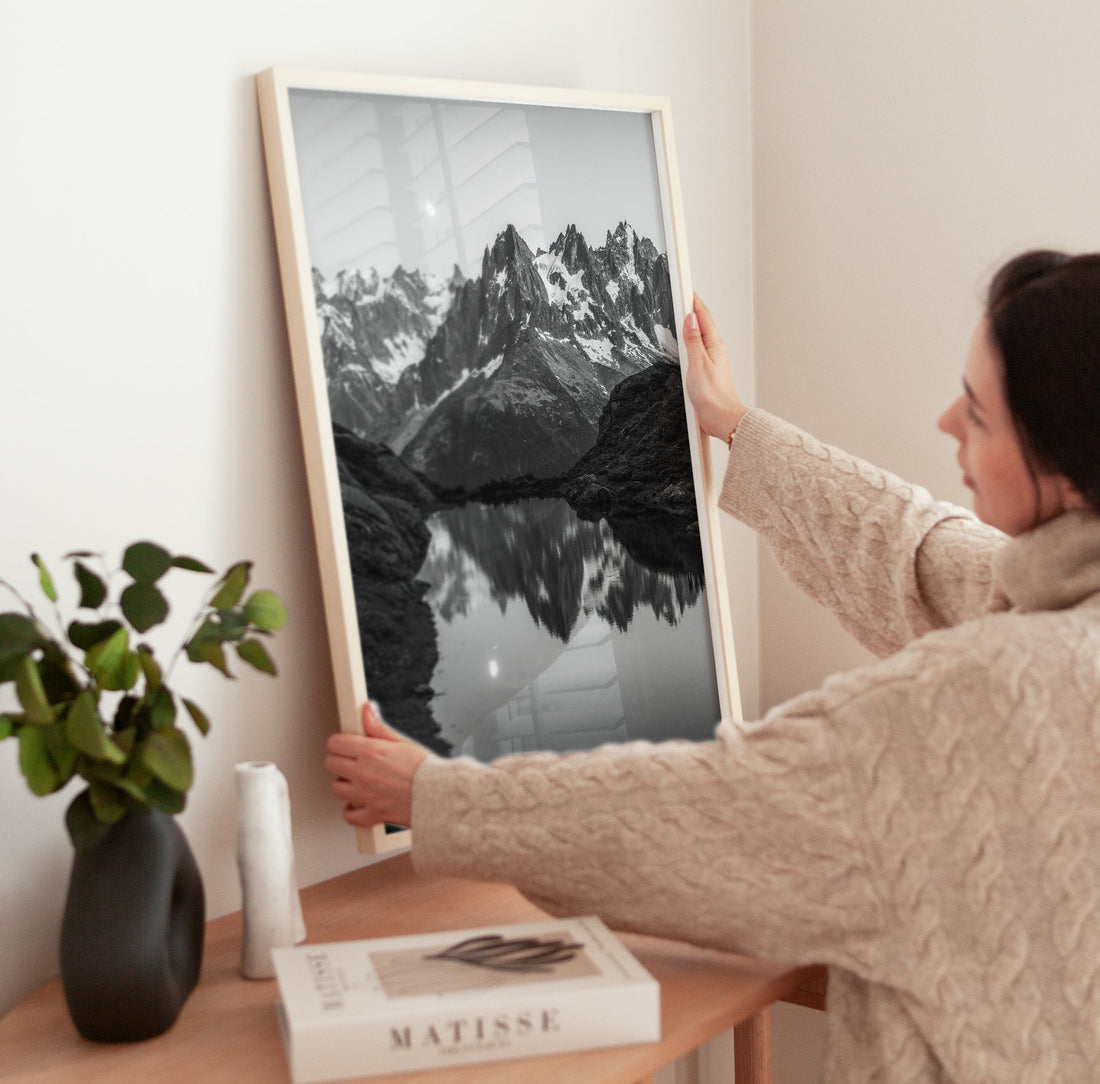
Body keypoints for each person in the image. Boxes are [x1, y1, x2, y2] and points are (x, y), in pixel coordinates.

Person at [325, 250, 1100, 1083]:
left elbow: (706, 811)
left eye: (979, 416)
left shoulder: (976, 701)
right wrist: (735, 424)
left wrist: (435, 797)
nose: (948, 422)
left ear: (1064, 471)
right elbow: (918, 554)